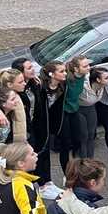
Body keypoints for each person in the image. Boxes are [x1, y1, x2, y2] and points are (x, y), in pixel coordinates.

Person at [32, 60, 67, 193]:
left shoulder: (62, 85)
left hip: (49, 126)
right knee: (39, 154)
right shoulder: (40, 87)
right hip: (38, 126)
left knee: (46, 153)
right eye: (61, 71)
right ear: (52, 74)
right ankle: (42, 185)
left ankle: (48, 181)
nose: (65, 73)